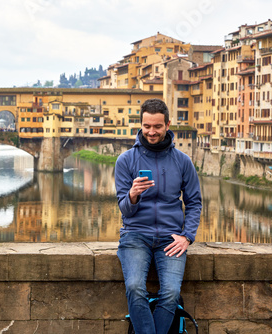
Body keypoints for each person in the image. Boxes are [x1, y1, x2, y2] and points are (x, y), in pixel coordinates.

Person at [115, 98, 202, 334]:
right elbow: (124, 209)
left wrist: (188, 237)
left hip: (170, 238)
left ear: (167, 125)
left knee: (172, 293)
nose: (151, 132)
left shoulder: (183, 162)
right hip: (135, 235)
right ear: (141, 125)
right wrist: (132, 195)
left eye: (157, 126)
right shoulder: (126, 160)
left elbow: (194, 202)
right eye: (147, 126)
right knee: (134, 287)